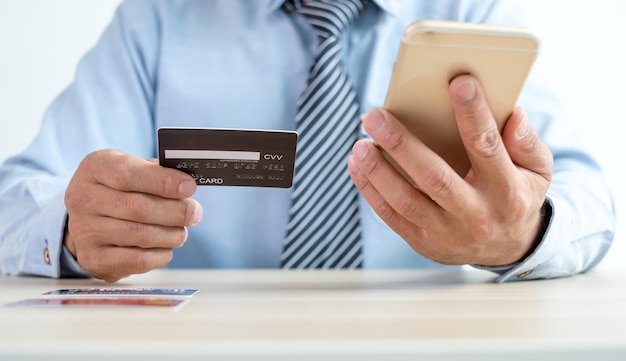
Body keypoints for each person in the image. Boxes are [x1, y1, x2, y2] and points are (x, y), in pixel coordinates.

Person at [0, 0, 615, 283]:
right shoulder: (157, 18)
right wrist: (74, 229)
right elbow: (15, 202)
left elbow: (590, 198)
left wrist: (522, 234)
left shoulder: (474, 11)